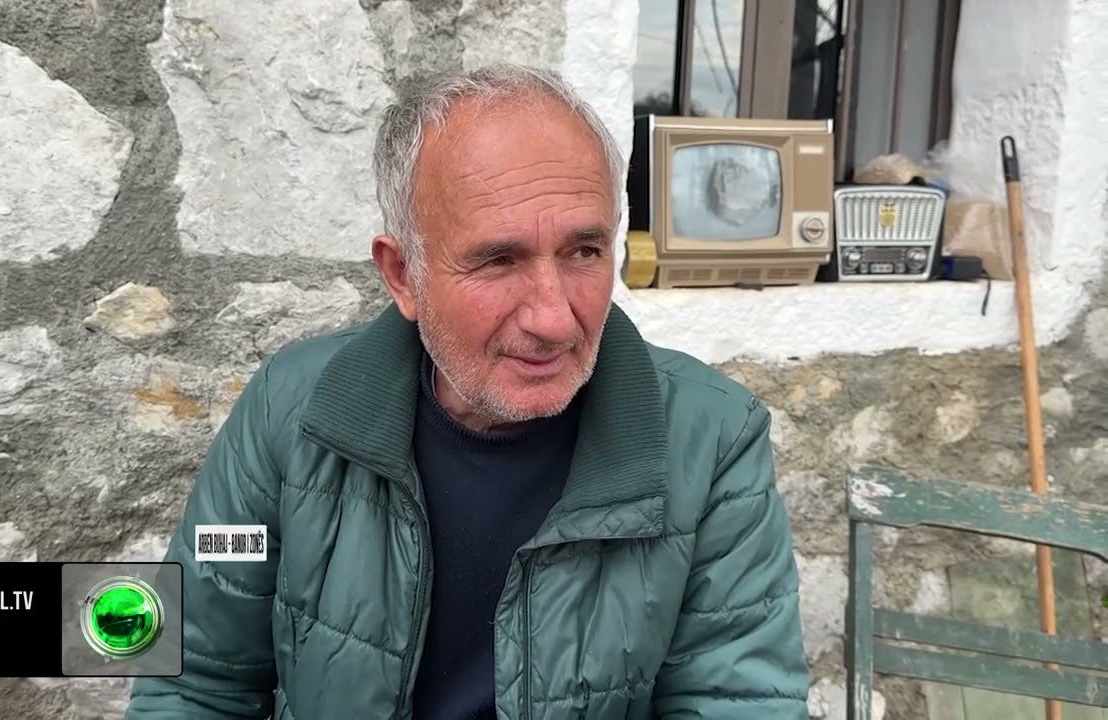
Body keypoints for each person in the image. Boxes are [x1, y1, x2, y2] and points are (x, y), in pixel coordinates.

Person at [124, 63, 810, 719]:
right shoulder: (291, 411)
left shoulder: (710, 439)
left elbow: (741, 702)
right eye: (498, 260)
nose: (553, 318)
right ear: (403, 275)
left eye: (584, 252)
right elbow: (190, 680)